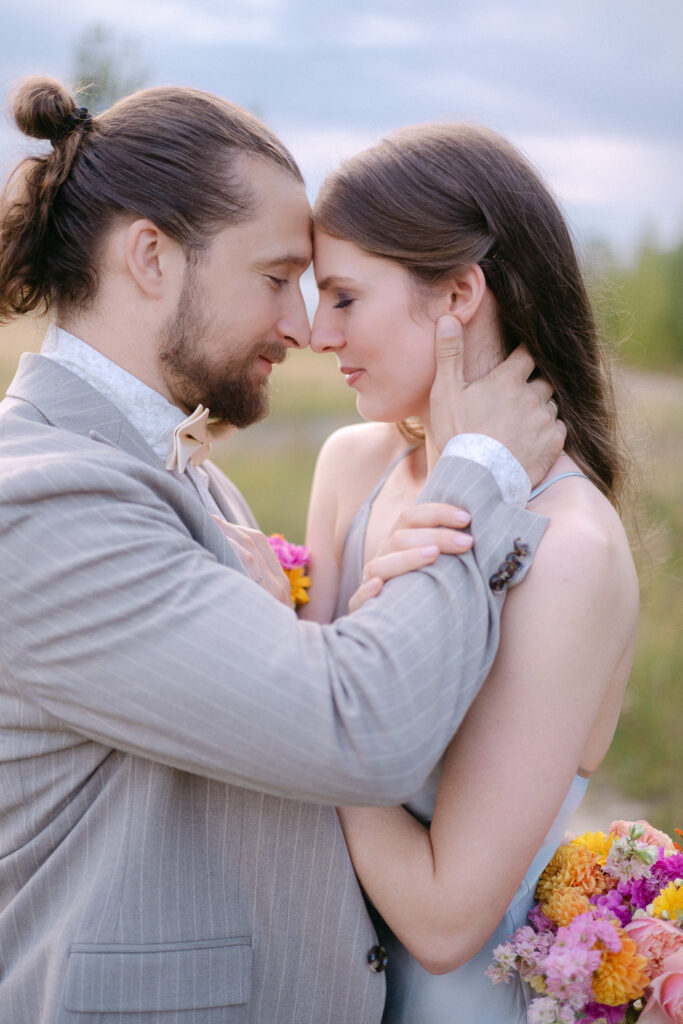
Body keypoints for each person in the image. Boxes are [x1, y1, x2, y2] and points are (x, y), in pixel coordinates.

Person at [0, 81, 564, 1023]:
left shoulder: (183, 471)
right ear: (151, 257)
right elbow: (357, 727)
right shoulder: (39, 500)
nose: (302, 326)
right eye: (275, 278)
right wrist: (482, 470)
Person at [301, 124, 638, 1022]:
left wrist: (304, 730)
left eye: (343, 297)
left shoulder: (570, 550)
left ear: (456, 294)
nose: (316, 333)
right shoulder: (350, 467)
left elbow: (447, 920)